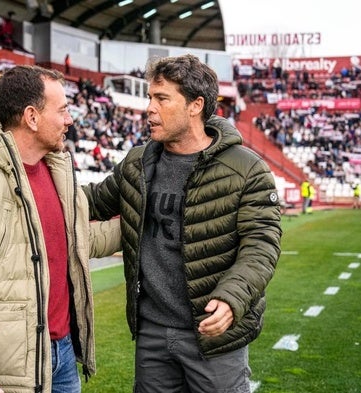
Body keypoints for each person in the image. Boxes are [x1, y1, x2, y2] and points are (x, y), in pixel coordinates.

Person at [82, 54, 282, 393]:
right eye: (149, 98)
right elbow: (90, 201)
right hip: (153, 335)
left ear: (195, 105)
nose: (149, 108)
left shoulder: (247, 169)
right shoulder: (138, 162)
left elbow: (261, 246)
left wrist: (232, 298)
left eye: (161, 98)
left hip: (213, 335)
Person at [0, 65, 120, 393]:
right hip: (6, 367)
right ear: (31, 117)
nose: (69, 120)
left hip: (63, 354)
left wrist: (143, 223)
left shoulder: (57, 171)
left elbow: (77, 241)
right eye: (62, 110)